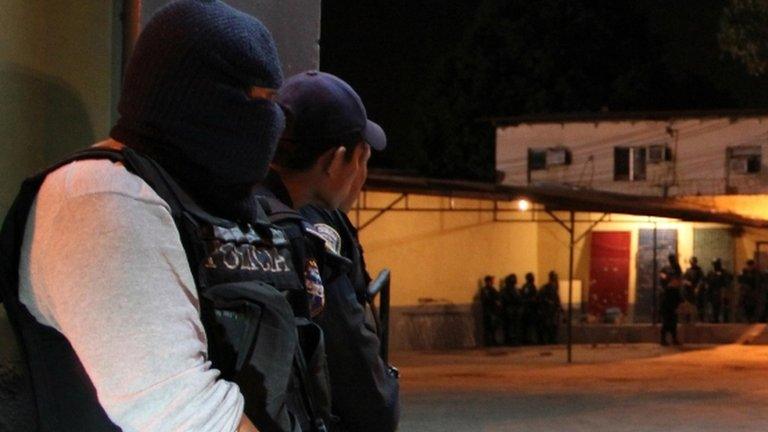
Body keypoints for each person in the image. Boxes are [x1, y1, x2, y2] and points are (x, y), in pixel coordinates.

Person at [0, 1, 294, 430]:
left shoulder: (198, 196)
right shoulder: (101, 198)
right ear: (199, 100)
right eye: (260, 101)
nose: (274, 123)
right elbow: (189, 417)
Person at [272, 71, 399, 432]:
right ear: (334, 161)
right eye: (362, 159)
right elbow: (348, 351)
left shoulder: (242, 204)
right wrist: (384, 408)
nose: (362, 175)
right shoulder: (314, 232)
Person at [659, 253, 683, 345]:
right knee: (667, 319)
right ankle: (663, 339)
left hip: (674, 296)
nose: (673, 260)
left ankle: (673, 338)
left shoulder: (677, 268)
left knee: (674, 319)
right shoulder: (665, 269)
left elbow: (679, 280)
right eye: (672, 259)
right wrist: (669, 281)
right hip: (667, 295)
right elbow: (662, 280)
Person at [538, 271, 563, 345]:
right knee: (548, 325)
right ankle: (547, 340)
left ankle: (552, 339)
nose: (556, 278)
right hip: (547, 310)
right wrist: (548, 302)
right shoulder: (546, 287)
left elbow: (556, 298)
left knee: (553, 325)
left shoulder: (554, 286)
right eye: (554, 276)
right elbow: (541, 297)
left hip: (553, 310)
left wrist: (558, 305)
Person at [705, 258, 732, 323]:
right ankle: (714, 319)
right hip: (712, 292)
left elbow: (727, 282)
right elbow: (708, 282)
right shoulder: (711, 272)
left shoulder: (724, 272)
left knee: (723, 307)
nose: (715, 266)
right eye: (714, 264)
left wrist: (725, 292)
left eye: (716, 264)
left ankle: (724, 320)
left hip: (721, 291)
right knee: (714, 307)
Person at [499, 273, 522, 346]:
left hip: (515, 311)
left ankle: (514, 340)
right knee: (510, 327)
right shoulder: (506, 290)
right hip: (509, 310)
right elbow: (505, 300)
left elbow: (519, 299)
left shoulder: (515, 289)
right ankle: (510, 340)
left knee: (515, 326)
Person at [479, 275, 501, 346]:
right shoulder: (487, 290)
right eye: (492, 280)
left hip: (490, 310)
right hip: (490, 310)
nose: (493, 282)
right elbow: (490, 299)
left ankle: (491, 341)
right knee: (490, 327)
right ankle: (490, 341)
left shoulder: (488, 289)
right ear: (488, 281)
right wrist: (495, 302)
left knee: (492, 327)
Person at [683, 257, 705, 322]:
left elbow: (701, 280)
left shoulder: (699, 270)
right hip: (689, 291)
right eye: (691, 262)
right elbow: (684, 279)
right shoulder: (688, 270)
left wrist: (697, 288)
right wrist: (686, 282)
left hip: (696, 290)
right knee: (688, 305)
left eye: (693, 262)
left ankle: (700, 319)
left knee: (698, 305)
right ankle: (688, 319)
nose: (692, 263)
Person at [520, 272, 539, 344]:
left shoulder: (527, 286)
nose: (533, 278)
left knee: (528, 326)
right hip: (529, 309)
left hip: (529, 309)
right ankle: (528, 340)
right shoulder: (528, 286)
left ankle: (528, 339)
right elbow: (529, 297)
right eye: (532, 277)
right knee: (529, 326)